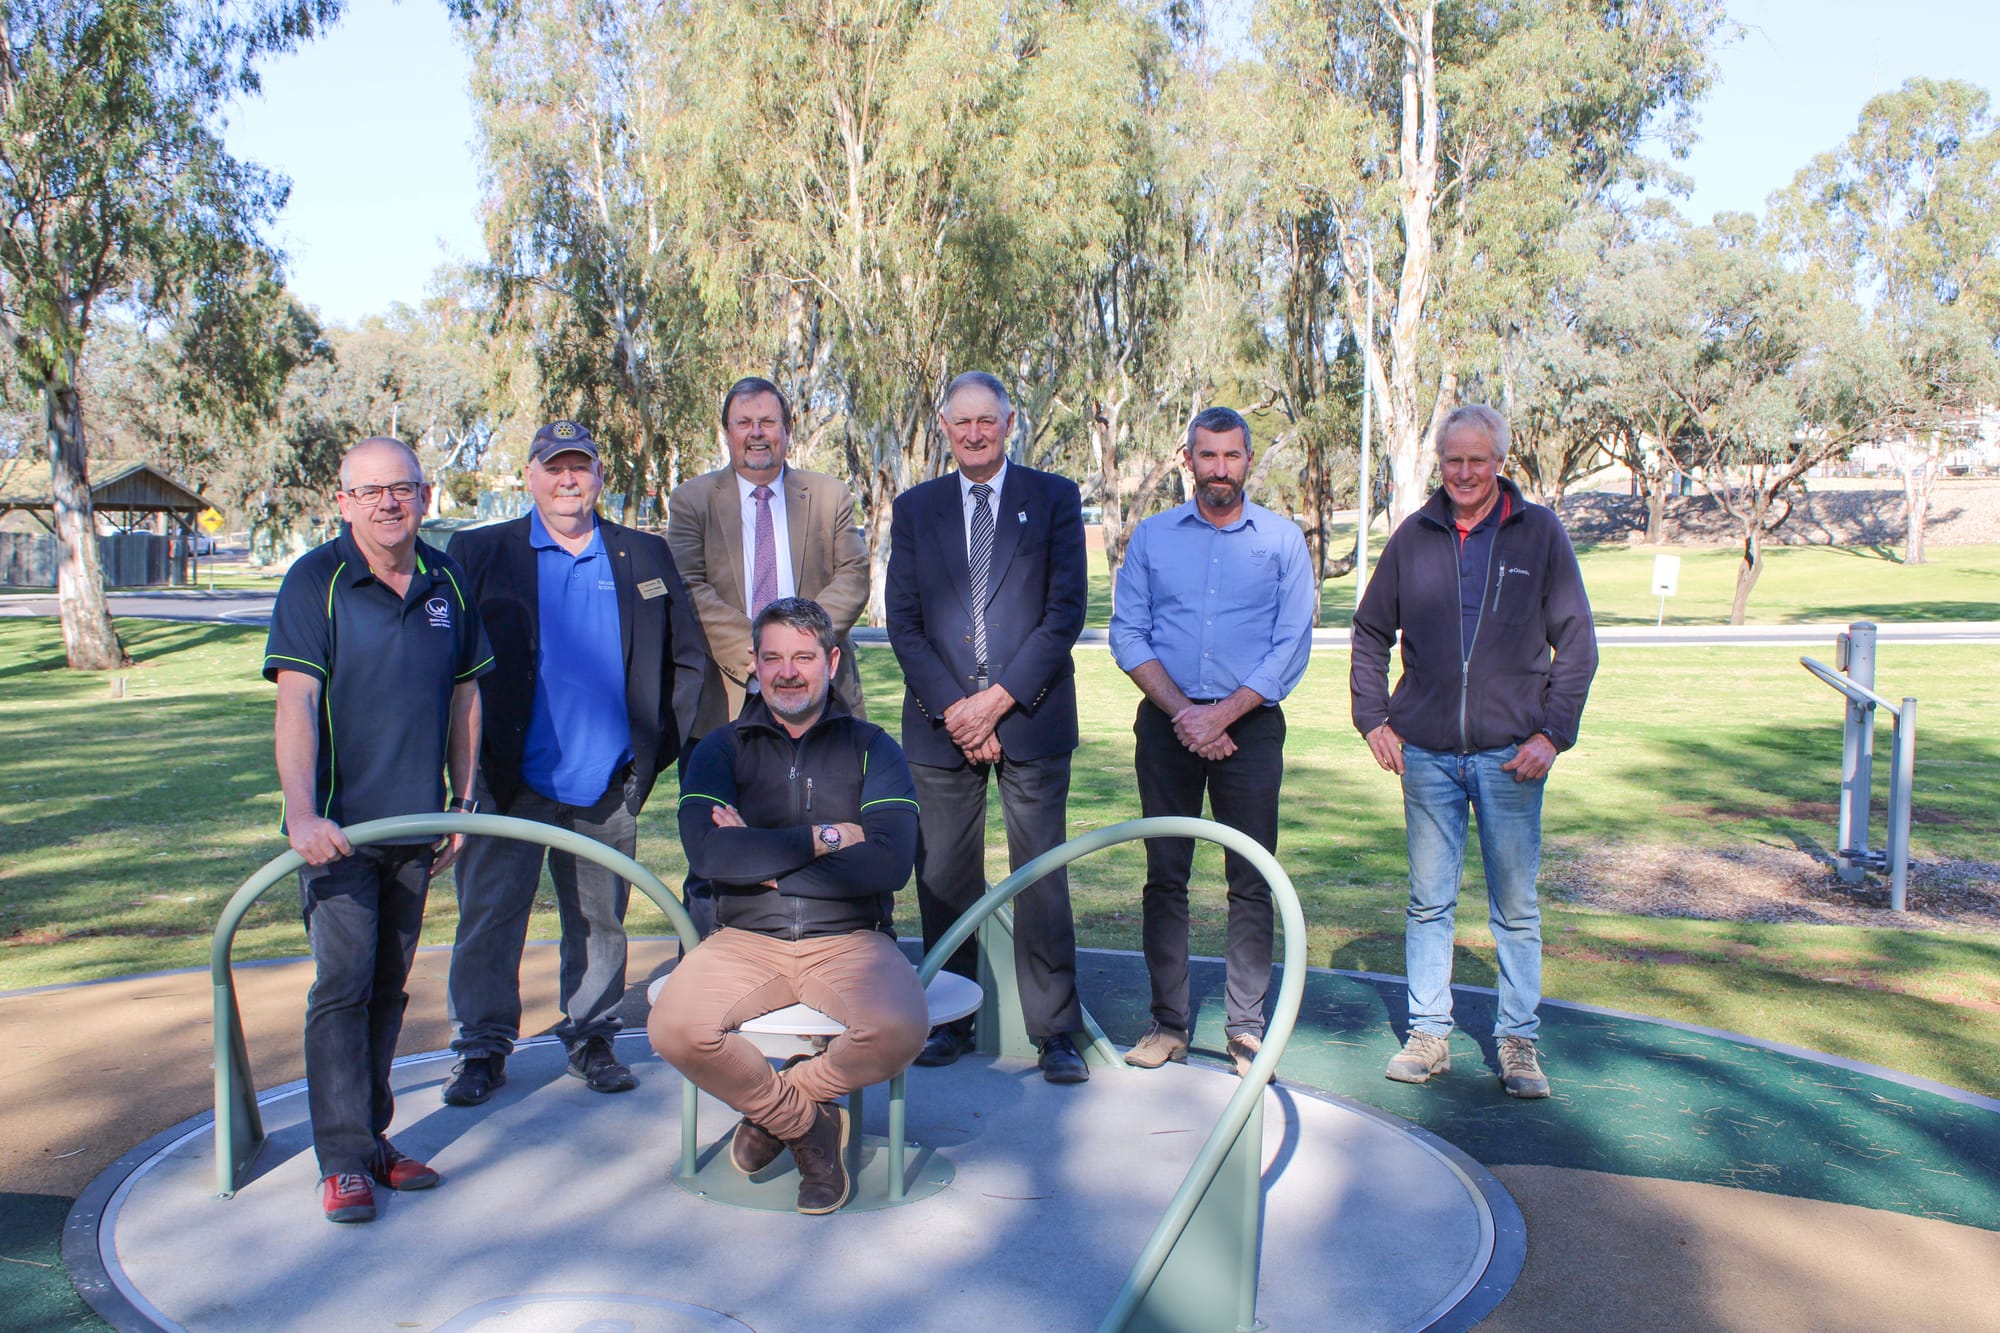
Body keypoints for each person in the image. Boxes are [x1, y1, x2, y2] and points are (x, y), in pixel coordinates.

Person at [439, 420, 707, 1106]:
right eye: (553, 467)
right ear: (529, 476)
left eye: (579, 467)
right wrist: (461, 774)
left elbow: (687, 661)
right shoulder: (479, 552)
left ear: (598, 475)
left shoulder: (643, 556)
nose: (567, 480)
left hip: (604, 784)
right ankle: (481, 1046)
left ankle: (591, 1035)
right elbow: (446, 670)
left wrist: (646, 761)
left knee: (599, 919)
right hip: (505, 782)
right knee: (490, 917)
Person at [263, 436, 493, 1223]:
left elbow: (466, 696)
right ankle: (341, 1158)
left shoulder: (446, 578)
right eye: (371, 491)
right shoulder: (315, 581)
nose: (389, 502)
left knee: (389, 986)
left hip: (417, 825)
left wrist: (462, 800)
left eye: (403, 488)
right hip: (339, 829)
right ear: (344, 502)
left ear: (424, 496)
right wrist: (301, 812)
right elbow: (294, 702)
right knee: (344, 981)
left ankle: (370, 1139)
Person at [1349, 403, 1598, 1100]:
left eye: (1477, 460)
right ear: (1440, 462)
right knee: (1429, 902)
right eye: (1453, 460)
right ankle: (1429, 1034)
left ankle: (1518, 1042)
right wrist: (1373, 717)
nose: (1464, 472)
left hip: (1511, 756)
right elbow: (1370, 631)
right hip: (1425, 754)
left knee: (1515, 907)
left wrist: (1553, 733)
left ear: (1499, 461)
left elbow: (1577, 641)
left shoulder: (1538, 532)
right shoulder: (1414, 536)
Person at [648, 597, 927, 1216]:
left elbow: (889, 864)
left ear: (830, 661)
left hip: (849, 938)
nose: (788, 672)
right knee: (672, 1029)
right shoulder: (719, 749)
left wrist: (765, 861)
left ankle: (785, 1102)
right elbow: (708, 855)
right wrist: (824, 838)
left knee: (899, 1029)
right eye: (772, 658)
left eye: (803, 657)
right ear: (753, 664)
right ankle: (808, 1128)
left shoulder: (872, 748)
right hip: (745, 938)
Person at [885, 370, 1091, 1084]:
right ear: (944, 427)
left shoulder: (1055, 498)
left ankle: (1056, 1031)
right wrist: (958, 710)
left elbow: (1065, 613)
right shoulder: (915, 510)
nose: (974, 432)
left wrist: (996, 701)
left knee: (1040, 876)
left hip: (1030, 716)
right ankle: (949, 1015)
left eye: (987, 420)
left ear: (1010, 423)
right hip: (940, 723)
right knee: (943, 877)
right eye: (961, 421)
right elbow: (904, 626)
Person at [1108, 407, 1315, 1077]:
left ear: (1248, 461)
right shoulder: (1152, 536)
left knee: (1250, 879)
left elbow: (1291, 644)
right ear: (1187, 459)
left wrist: (1223, 714)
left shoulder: (1282, 541)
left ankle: (1245, 1031)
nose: (1219, 468)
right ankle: (1167, 1023)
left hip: (1249, 729)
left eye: (1231, 455)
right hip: (1168, 726)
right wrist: (1185, 714)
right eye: (1207, 455)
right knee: (1165, 877)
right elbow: (1127, 633)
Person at [667, 376, 870, 737]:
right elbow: (686, 586)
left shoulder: (830, 495)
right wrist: (766, 652)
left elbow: (853, 576)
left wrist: (801, 648)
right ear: (727, 433)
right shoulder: (691, 500)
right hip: (725, 698)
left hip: (821, 696)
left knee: (827, 795)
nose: (756, 433)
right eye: (744, 423)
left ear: (788, 429)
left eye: (768, 422)